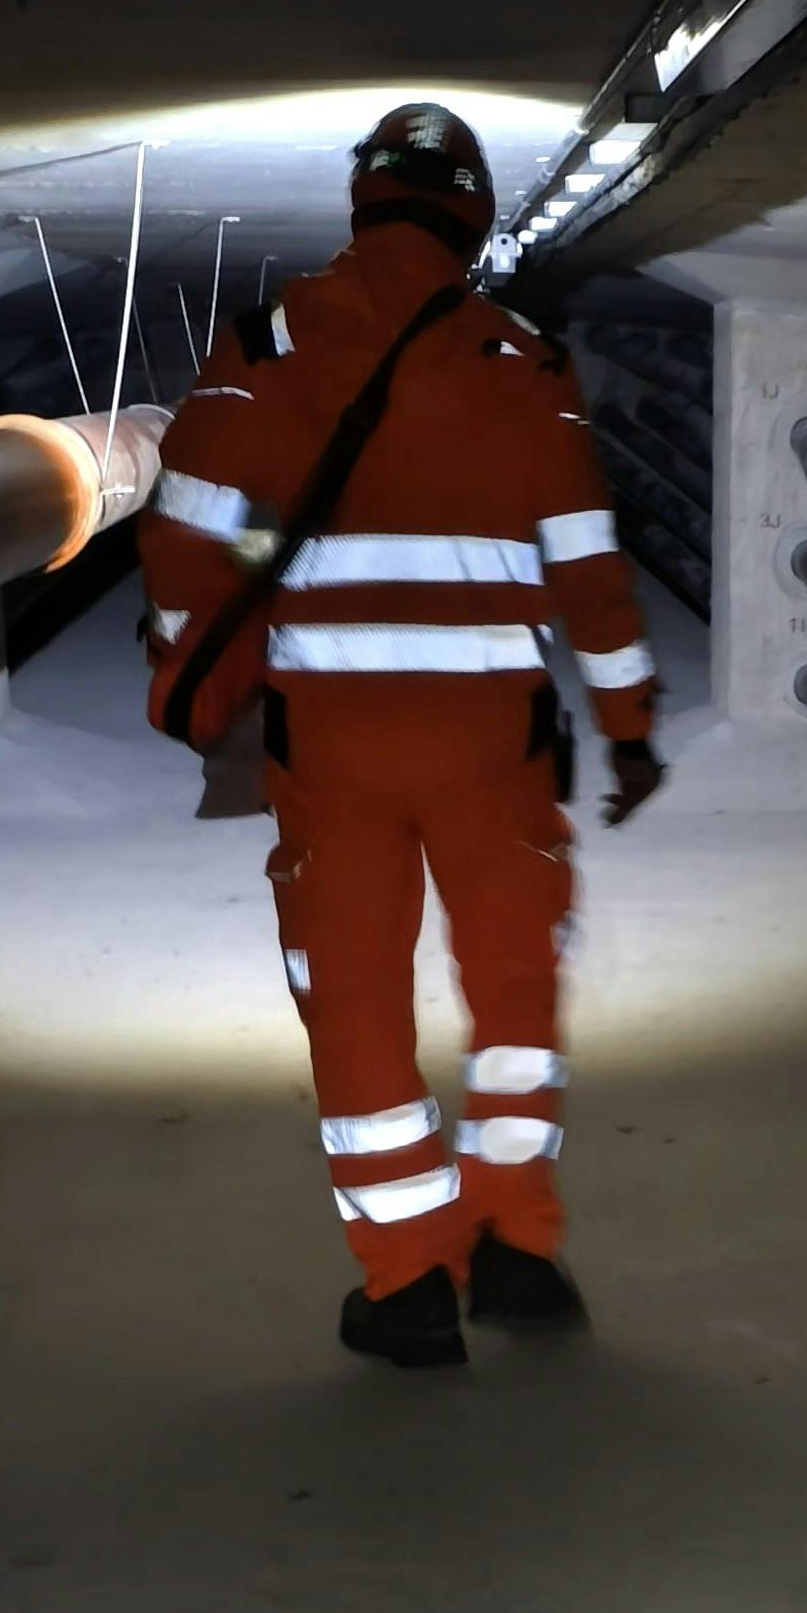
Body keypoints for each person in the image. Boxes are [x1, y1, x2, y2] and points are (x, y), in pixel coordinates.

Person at [139, 102, 667, 1370]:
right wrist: (629, 721)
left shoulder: (268, 344)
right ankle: (517, 1249)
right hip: (495, 738)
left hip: (336, 742)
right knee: (514, 985)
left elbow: (184, 533)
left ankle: (408, 1279)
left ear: (364, 204)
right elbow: (587, 566)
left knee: (356, 997)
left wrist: (204, 671)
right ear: (474, 213)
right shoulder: (518, 358)